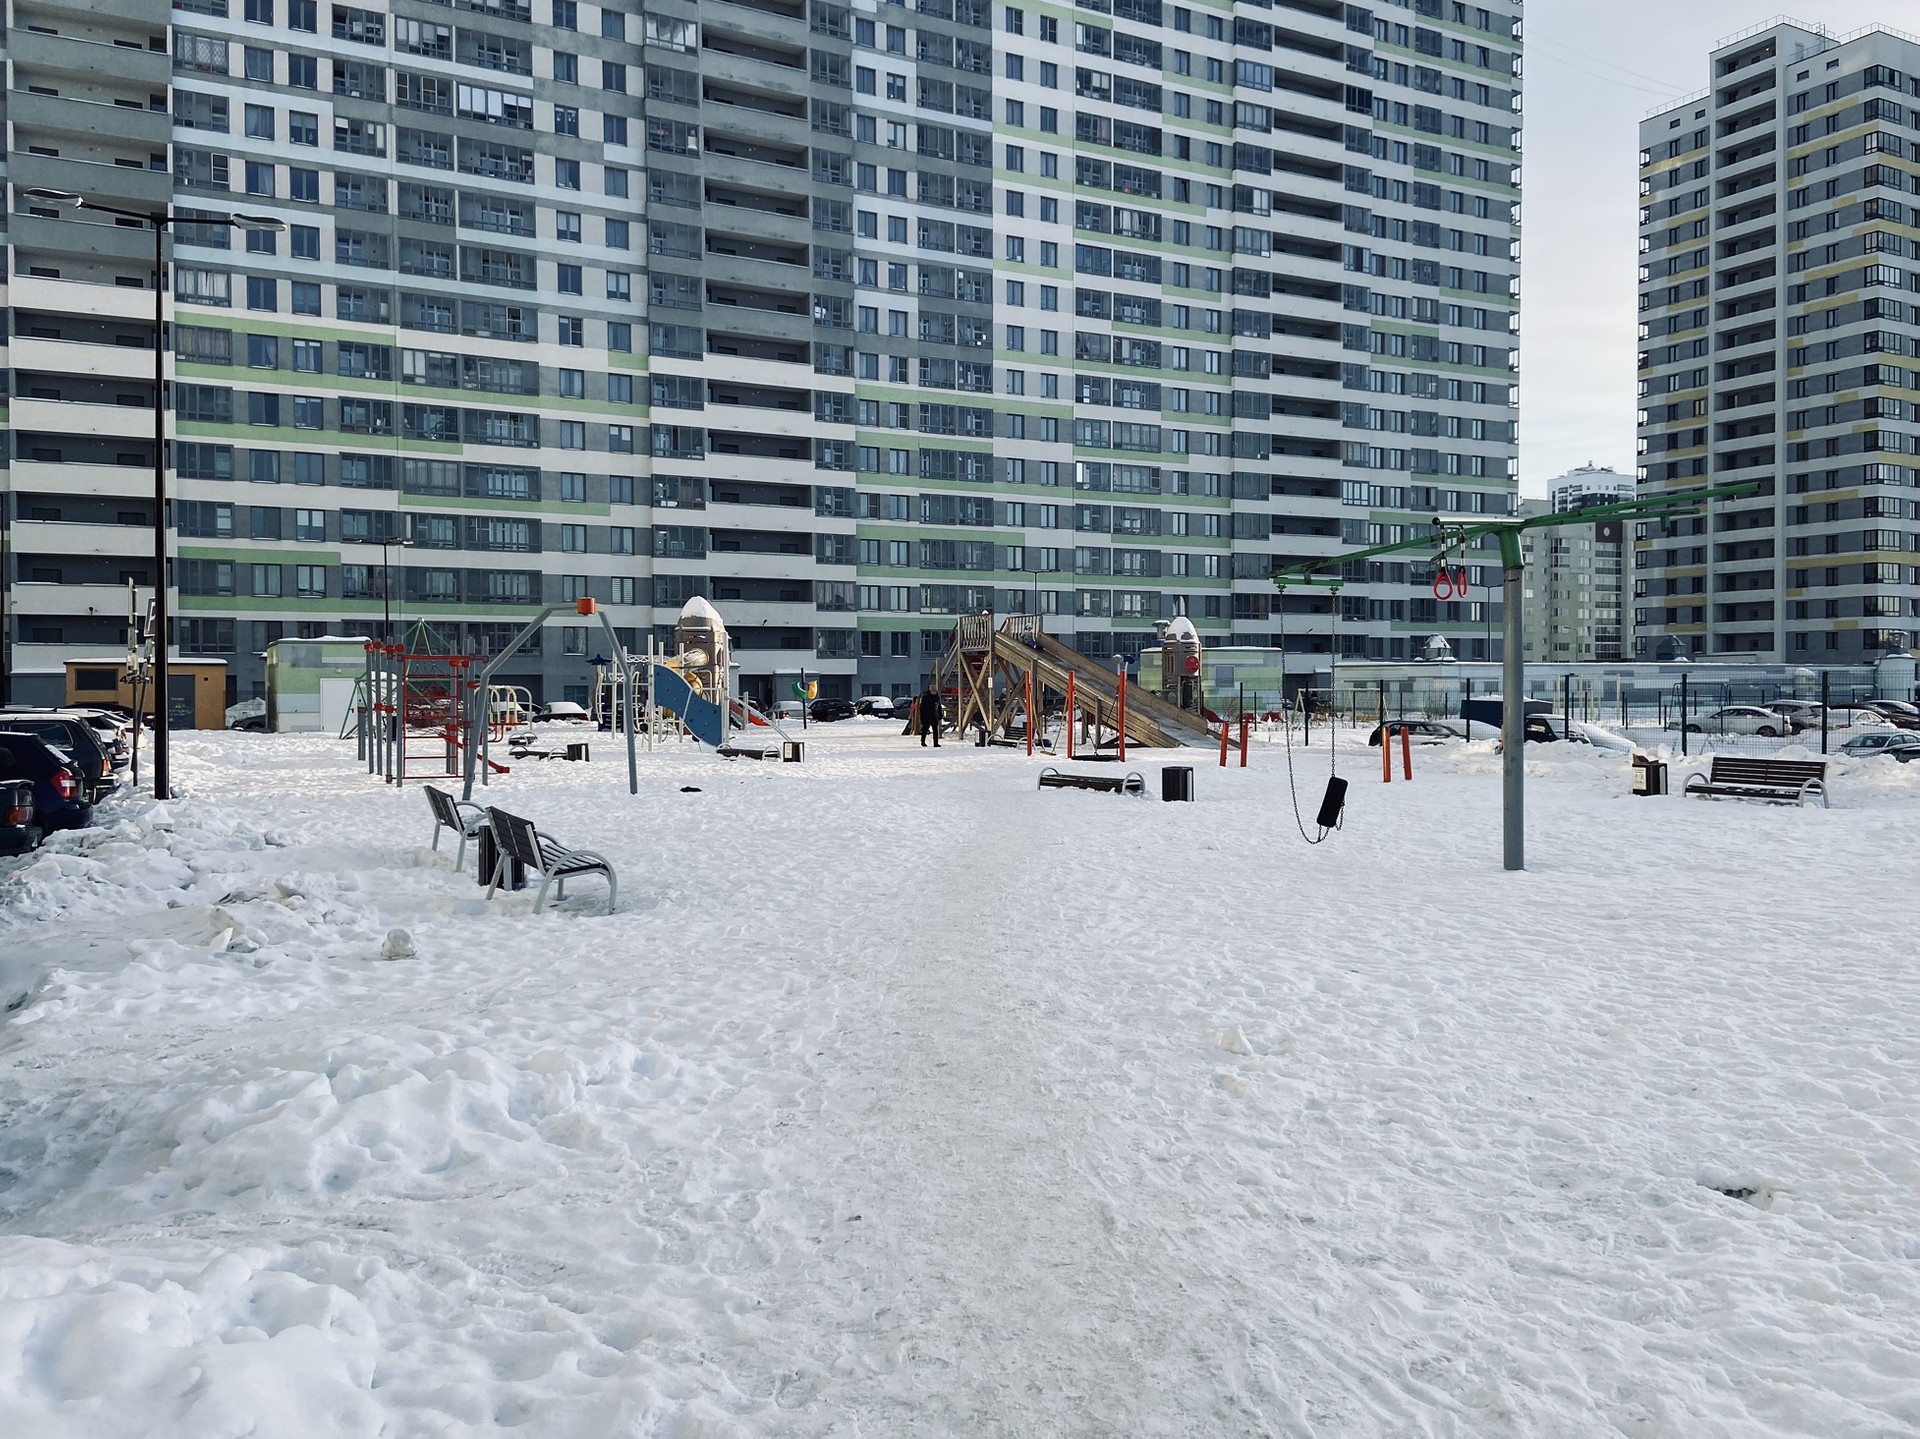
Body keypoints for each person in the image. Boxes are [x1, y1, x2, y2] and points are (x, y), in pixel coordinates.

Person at [917, 683, 942, 747]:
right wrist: (922, 717)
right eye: (932, 692)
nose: (934, 693)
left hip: (934, 716)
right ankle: (923, 742)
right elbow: (922, 708)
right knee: (925, 729)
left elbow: (939, 706)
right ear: (930, 691)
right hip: (926, 716)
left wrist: (940, 714)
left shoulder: (936, 697)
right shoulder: (925, 697)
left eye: (935, 692)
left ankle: (936, 743)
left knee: (935, 730)